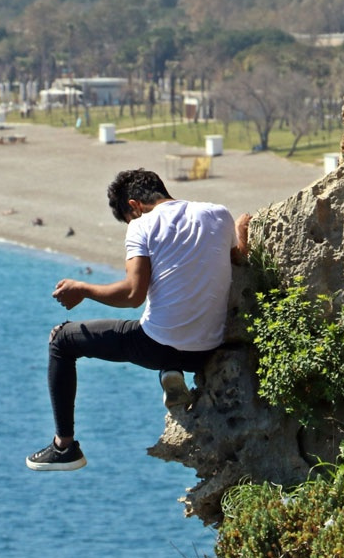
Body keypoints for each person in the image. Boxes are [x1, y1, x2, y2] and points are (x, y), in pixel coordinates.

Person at [26, 168, 252, 471]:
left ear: (134, 206)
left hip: (157, 346)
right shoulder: (218, 214)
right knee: (168, 309)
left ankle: (64, 447)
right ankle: (170, 372)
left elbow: (132, 295)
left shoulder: (141, 226)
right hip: (207, 349)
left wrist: (83, 289)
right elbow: (237, 258)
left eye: (128, 218)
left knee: (62, 339)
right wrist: (241, 230)